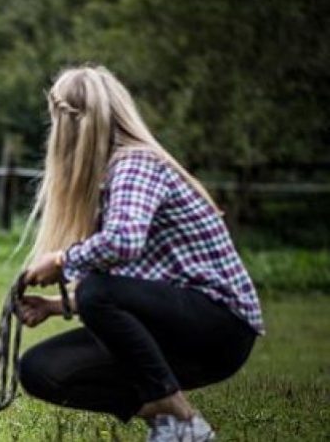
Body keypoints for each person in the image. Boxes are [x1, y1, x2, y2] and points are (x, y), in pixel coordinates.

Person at [16, 66, 263, 442]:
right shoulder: (112, 179)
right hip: (176, 326)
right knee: (40, 369)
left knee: (95, 289)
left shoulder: (136, 164)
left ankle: (182, 418)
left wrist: (63, 261)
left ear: (67, 123)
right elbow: (138, 290)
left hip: (223, 327)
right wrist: (54, 306)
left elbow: (123, 243)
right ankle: (168, 422)